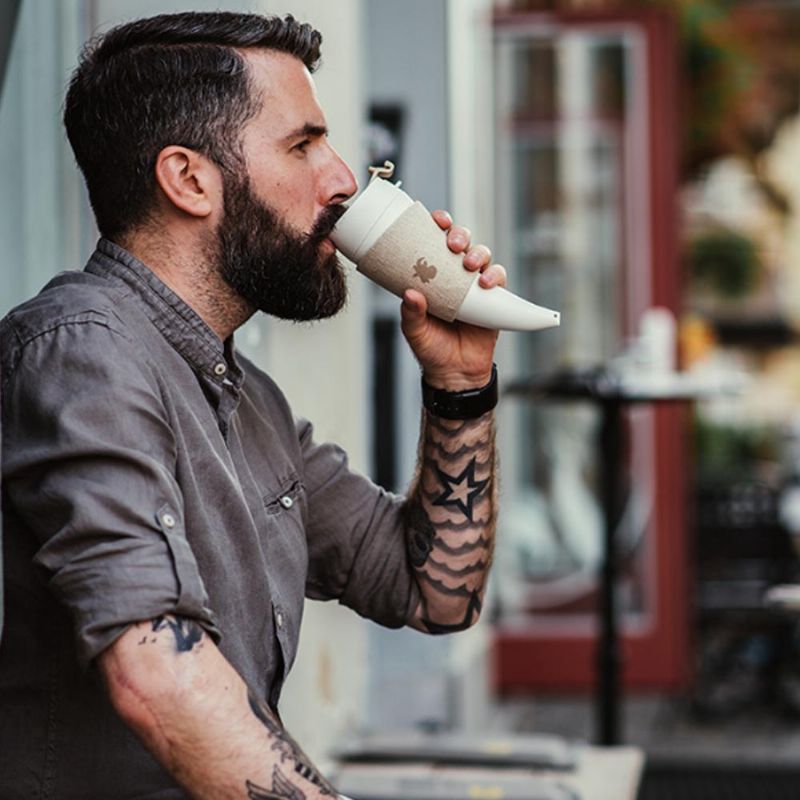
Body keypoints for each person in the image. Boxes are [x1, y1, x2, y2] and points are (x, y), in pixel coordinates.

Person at [0, 11, 504, 799]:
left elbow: (433, 590)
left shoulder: (247, 397)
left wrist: (461, 382)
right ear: (189, 179)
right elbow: (157, 679)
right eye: (303, 146)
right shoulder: (83, 353)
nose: (345, 178)